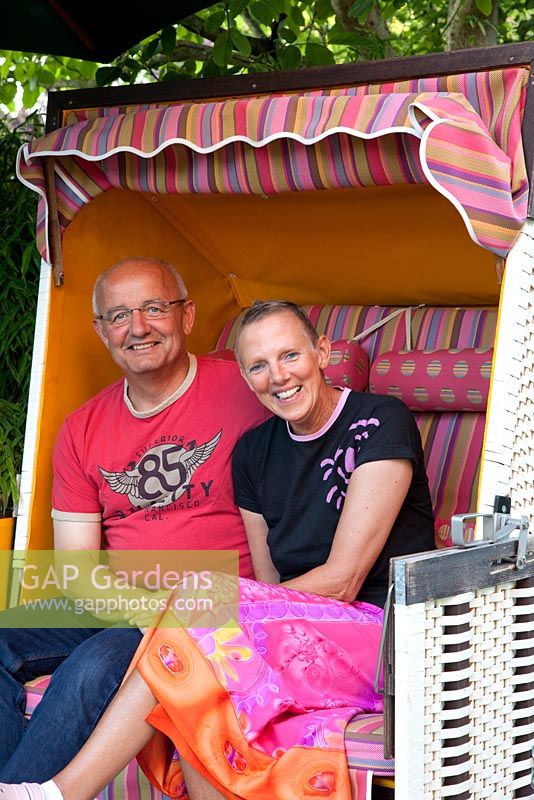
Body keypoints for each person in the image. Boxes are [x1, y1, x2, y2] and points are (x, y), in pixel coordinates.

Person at [0, 300, 435, 800]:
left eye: (290, 355)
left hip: (381, 631)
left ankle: (57, 793)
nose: (278, 376)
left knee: (201, 625)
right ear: (247, 380)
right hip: (297, 624)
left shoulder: (379, 420)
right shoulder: (252, 453)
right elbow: (269, 582)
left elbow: (342, 580)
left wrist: (217, 609)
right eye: (258, 365)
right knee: (204, 657)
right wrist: (224, 614)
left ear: (322, 351)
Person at [0, 258, 267, 785]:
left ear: (187, 315)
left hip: (215, 606)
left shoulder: (247, 391)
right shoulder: (82, 429)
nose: (138, 327)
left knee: (95, 666)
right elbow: (76, 572)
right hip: (119, 602)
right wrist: (142, 608)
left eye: (153, 308)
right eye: (119, 315)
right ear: (101, 331)